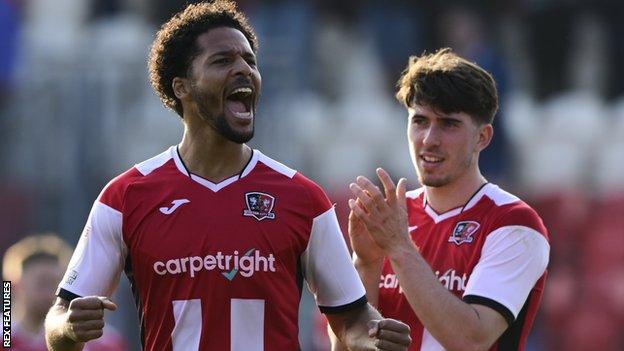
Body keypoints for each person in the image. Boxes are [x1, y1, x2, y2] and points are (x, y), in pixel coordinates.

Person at [43, 1, 411, 350]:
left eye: (250, 61)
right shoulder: (125, 197)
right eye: (223, 60)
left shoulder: (303, 198)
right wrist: (69, 328)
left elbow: (351, 318)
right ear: (181, 86)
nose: (244, 70)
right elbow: (58, 318)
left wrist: (373, 335)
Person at [332, 48, 550, 350]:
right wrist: (366, 264)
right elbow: (344, 348)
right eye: (420, 121)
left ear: (483, 137)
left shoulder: (514, 224)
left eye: (449, 124)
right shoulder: (390, 218)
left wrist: (398, 248)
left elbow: (470, 339)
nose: (429, 139)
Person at [3, 234, 127, 351]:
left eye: (57, 284)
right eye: (42, 283)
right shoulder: (4, 338)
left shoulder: (102, 342)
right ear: (16, 286)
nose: (50, 293)